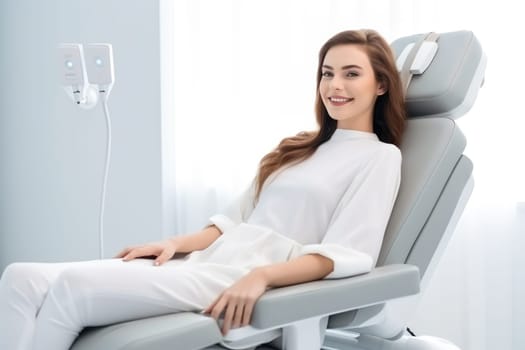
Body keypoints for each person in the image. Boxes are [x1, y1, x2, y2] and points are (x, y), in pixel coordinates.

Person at [0, 29, 405, 350]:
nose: (335, 85)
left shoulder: (379, 158)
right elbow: (233, 220)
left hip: (237, 274)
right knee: (21, 278)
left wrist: (262, 276)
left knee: (73, 290)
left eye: (352, 74)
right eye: (327, 72)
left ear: (381, 85)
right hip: (207, 260)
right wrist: (173, 244)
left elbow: (348, 255)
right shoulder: (298, 147)